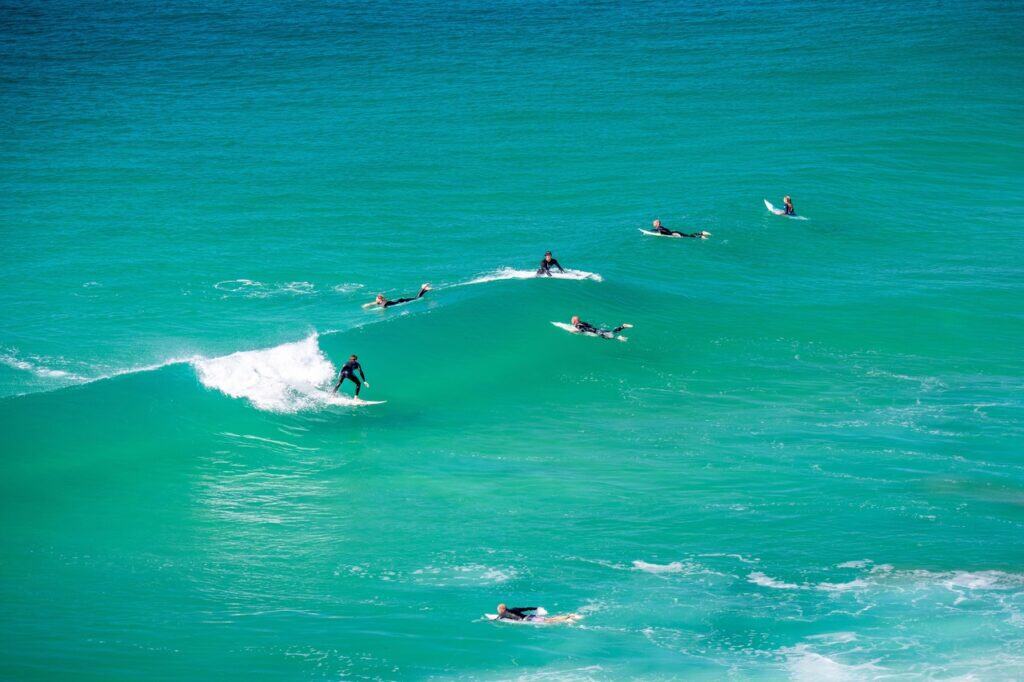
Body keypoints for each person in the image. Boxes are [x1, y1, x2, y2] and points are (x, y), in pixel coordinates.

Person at [495, 603, 580, 624]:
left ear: (502, 609)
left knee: (549, 621)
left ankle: (567, 618)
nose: (498, 611)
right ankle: (569, 616)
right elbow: (526, 608)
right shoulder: (514, 609)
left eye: (498, 610)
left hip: (527, 619)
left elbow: (497, 619)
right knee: (549, 618)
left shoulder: (502, 614)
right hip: (530, 616)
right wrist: (536, 608)